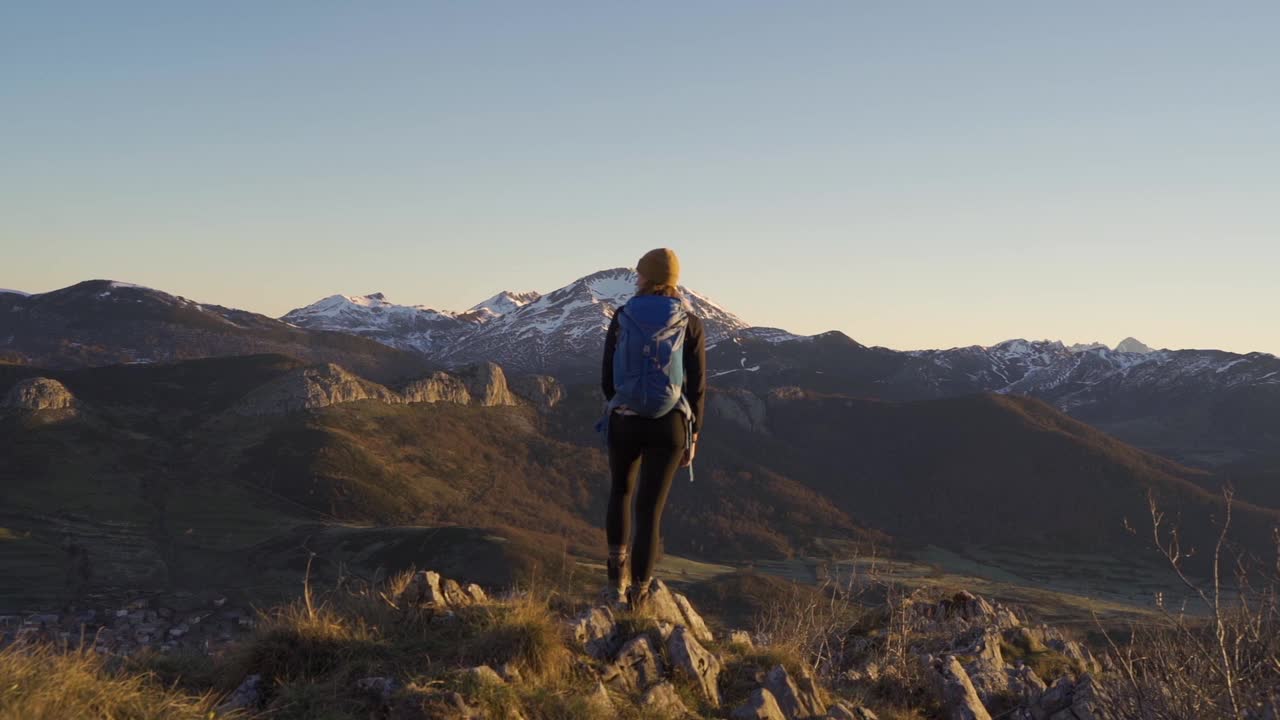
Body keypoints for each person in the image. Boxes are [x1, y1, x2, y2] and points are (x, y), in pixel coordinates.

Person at [600, 248, 707, 606]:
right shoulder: (690, 322)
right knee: (650, 510)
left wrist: (620, 406)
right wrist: (693, 435)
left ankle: (615, 582)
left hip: (625, 421)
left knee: (620, 493)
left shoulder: (622, 316)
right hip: (671, 425)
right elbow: (698, 386)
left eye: (639, 274)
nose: (635, 279)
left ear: (647, 278)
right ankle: (640, 594)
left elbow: (606, 378)